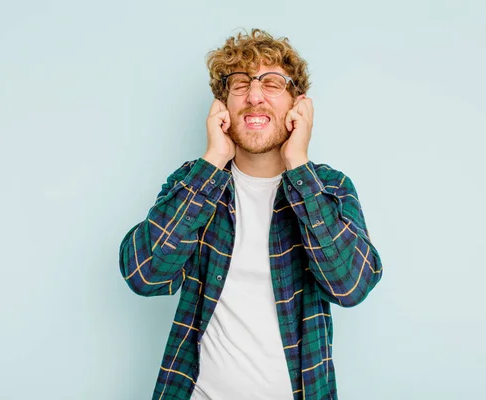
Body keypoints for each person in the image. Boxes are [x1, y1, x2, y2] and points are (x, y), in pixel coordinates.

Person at [119, 28, 383, 400]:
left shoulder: (329, 188)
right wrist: (212, 160)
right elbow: (144, 274)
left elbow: (351, 286)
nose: (254, 96)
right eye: (240, 84)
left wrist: (298, 165)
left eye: (272, 83)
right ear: (222, 105)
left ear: (297, 105)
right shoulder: (194, 181)